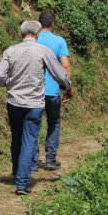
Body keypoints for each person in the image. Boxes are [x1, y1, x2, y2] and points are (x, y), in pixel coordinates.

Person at [0, 20, 72, 195]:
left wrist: (7, 83)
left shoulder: (10, 51)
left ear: (21, 34)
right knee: (29, 139)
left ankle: (17, 172)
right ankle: (22, 183)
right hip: (34, 104)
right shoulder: (43, 51)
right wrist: (67, 86)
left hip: (14, 102)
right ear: (36, 35)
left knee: (17, 136)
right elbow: (59, 74)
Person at [32, 11, 73, 171]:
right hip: (52, 91)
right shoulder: (59, 41)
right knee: (53, 123)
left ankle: (34, 161)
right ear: (53, 24)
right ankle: (50, 160)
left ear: (38, 23)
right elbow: (65, 65)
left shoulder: (32, 39)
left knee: (33, 124)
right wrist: (67, 87)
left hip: (33, 92)